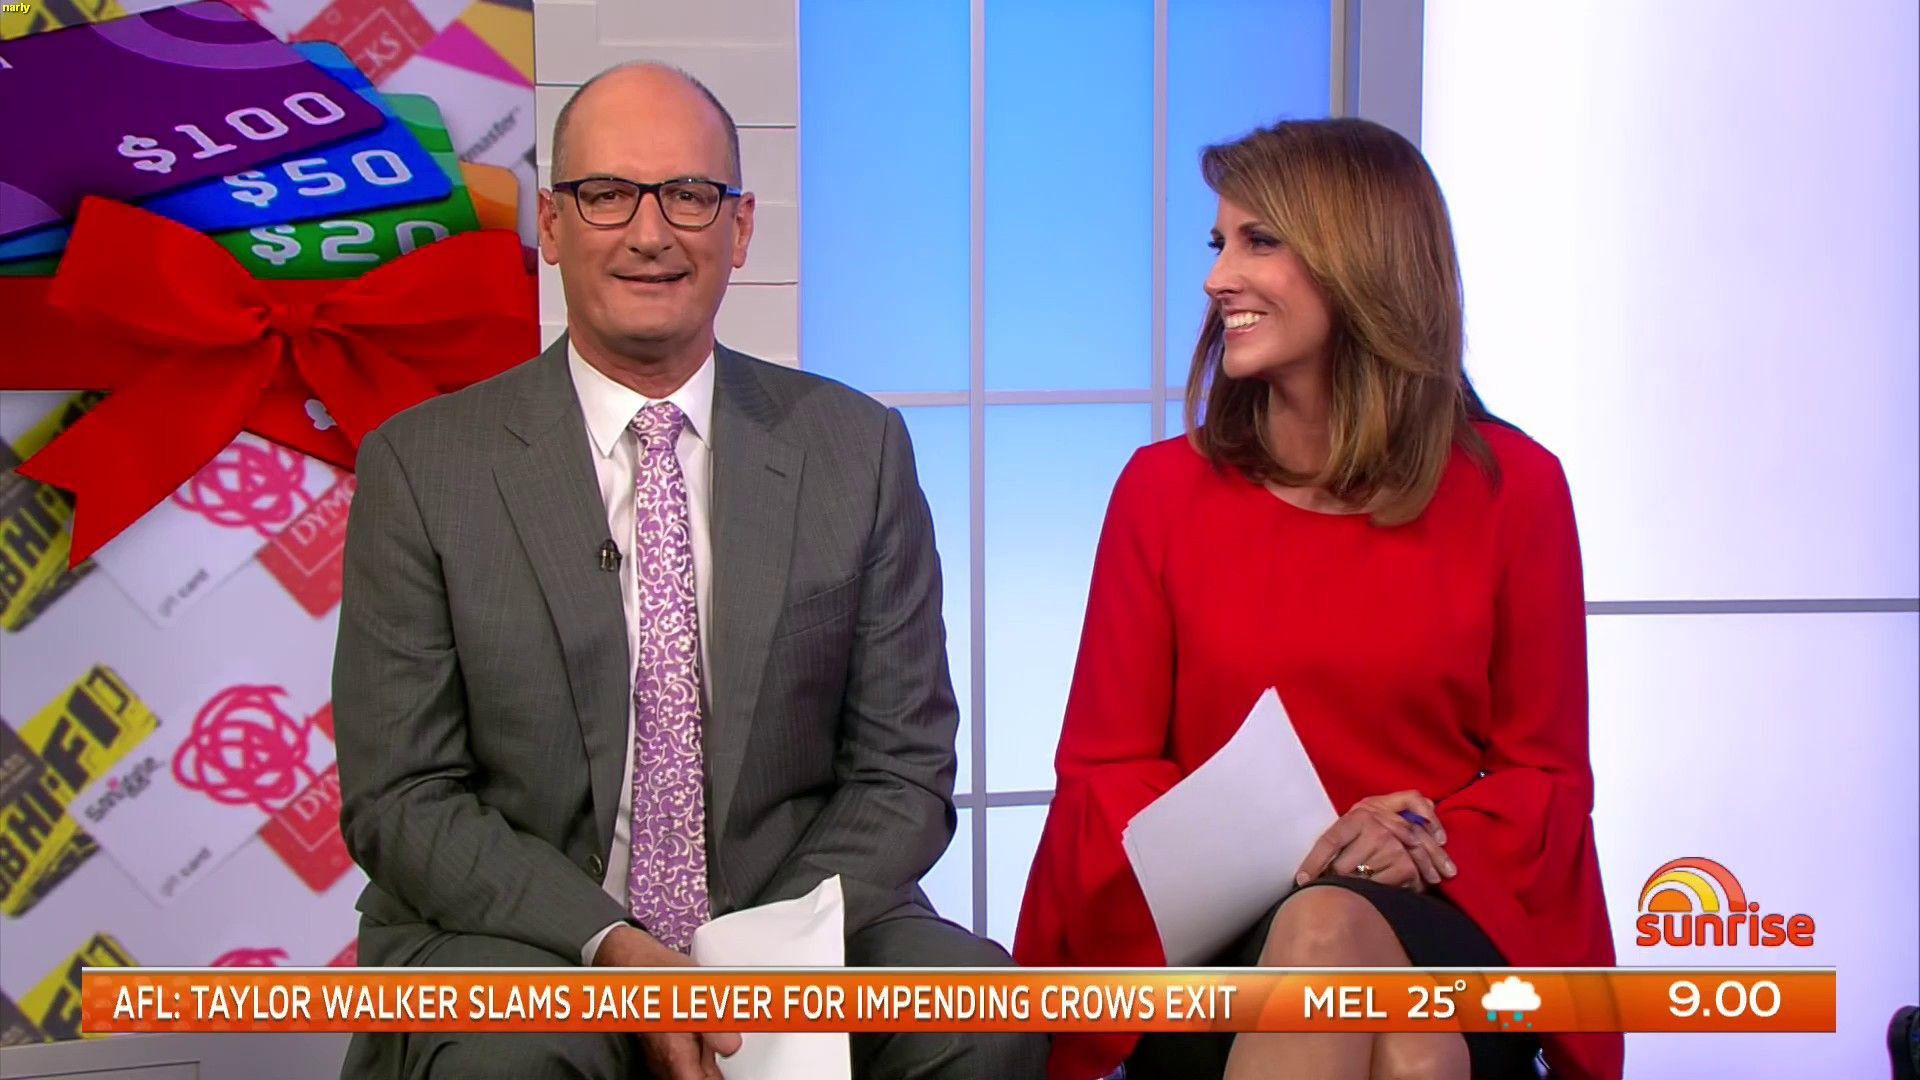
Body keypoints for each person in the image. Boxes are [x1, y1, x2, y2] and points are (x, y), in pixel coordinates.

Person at [334, 62, 1045, 1080]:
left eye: (690, 195)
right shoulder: (424, 465)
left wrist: (758, 957)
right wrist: (618, 952)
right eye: (607, 194)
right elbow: (403, 796)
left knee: (981, 1015)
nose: (651, 232)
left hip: (792, 914)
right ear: (552, 224)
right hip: (525, 934)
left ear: (741, 228)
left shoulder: (856, 448)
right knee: (514, 1057)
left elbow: (904, 772)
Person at [1012, 118, 1622, 1080]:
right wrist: (1303, 847)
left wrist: (1414, 836)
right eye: (1219, 243)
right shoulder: (1161, 493)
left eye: (1259, 241)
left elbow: (1543, 776)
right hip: (1218, 928)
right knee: (1406, 1041)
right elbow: (1104, 771)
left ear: (1361, 261)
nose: (1217, 278)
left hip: (1444, 902)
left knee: (1334, 936)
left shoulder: (1518, 489)